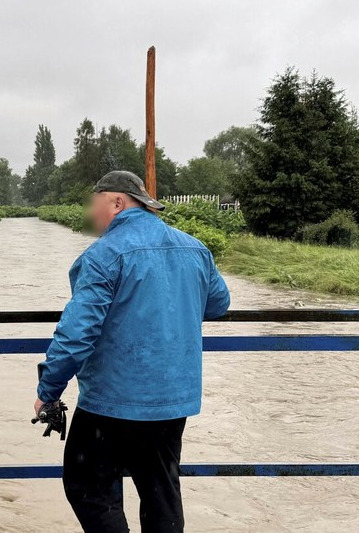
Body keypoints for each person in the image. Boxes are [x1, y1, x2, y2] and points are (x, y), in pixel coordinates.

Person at [34, 170, 232, 533]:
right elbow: (219, 303)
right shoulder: (194, 248)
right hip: (172, 400)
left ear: (117, 202)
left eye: (95, 205)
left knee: (87, 487)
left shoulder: (103, 256)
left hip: (112, 403)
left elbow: (77, 333)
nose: (92, 214)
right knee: (161, 495)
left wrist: (48, 391)